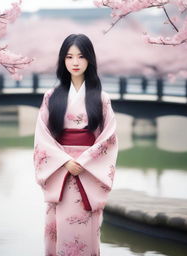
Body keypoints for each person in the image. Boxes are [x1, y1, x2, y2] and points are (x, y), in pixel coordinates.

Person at [33, 33, 118, 256]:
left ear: (89, 59)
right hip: (60, 173)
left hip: (88, 175)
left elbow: (108, 138)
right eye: (69, 57)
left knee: (86, 234)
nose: (75, 62)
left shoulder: (101, 98)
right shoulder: (51, 97)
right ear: (63, 60)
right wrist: (65, 161)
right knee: (59, 232)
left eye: (81, 56)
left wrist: (84, 161)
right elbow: (42, 137)